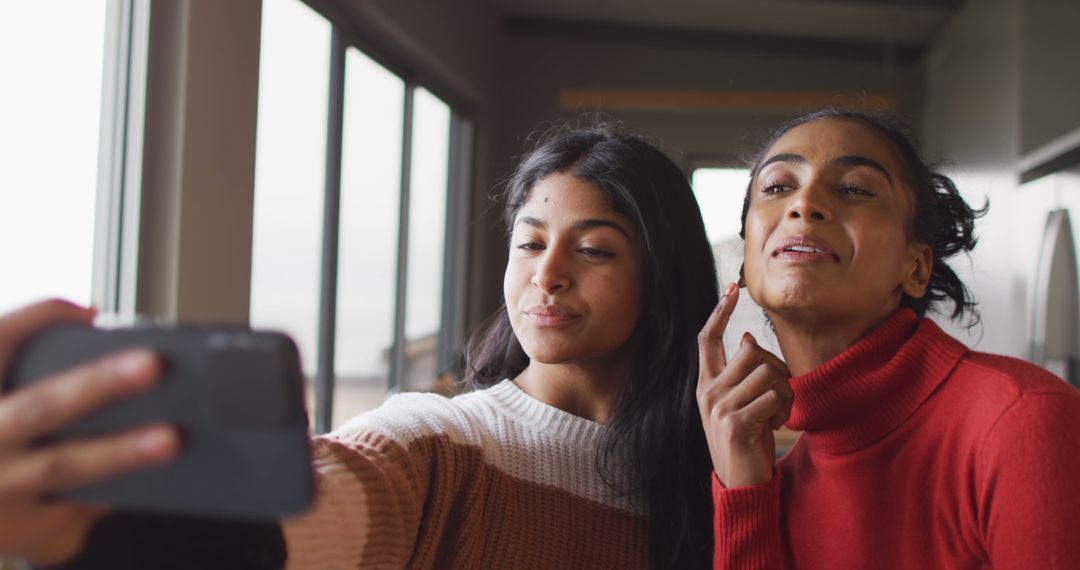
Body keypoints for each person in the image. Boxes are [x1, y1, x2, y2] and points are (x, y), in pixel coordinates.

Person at [3, 125, 719, 568]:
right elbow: (315, 508)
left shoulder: (711, 477)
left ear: (662, 278)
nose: (547, 273)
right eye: (528, 242)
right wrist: (98, 529)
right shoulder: (439, 441)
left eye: (593, 250)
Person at [697, 108, 1080, 568]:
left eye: (856, 189)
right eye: (778, 187)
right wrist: (744, 492)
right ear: (747, 264)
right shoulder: (771, 475)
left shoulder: (1023, 420)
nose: (804, 204)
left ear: (916, 267)